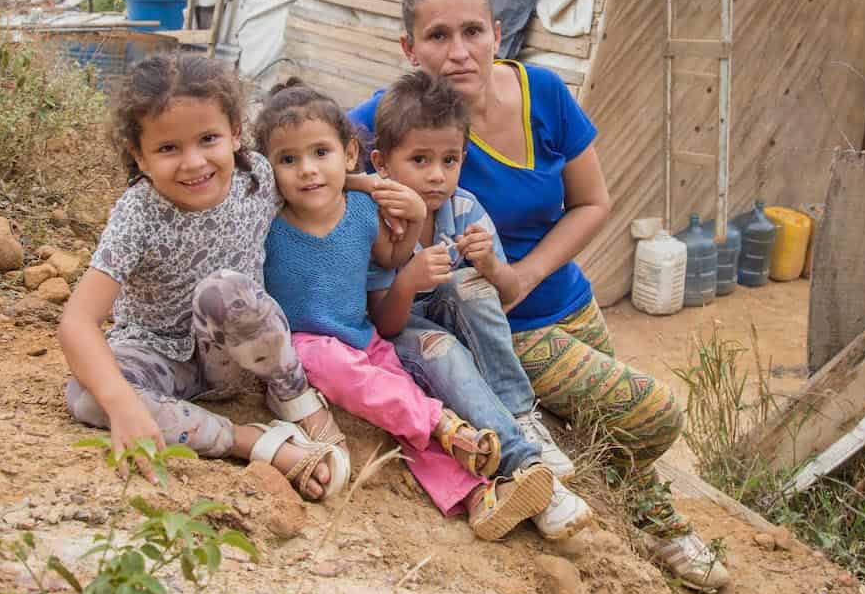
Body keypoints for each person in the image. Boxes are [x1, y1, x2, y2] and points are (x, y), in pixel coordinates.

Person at [350, 0, 731, 591]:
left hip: (568, 298)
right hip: (502, 325)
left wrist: (527, 271)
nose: (458, 52)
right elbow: (315, 155)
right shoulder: (397, 118)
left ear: (499, 33)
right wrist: (377, 185)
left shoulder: (544, 93)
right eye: (437, 37)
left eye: (472, 30)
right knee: (654, 414)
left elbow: (592, 203)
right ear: (408, 49)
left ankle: (661, 529)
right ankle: (592, 497)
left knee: (609, 424)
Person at [255, 79, 555, 541]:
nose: (308, 171)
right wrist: (360, 179)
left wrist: (412, 218)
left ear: (348, 152)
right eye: (288, 160)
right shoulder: (269, 218)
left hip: (363, 336)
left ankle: (476, 496)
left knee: (400, 407)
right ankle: (442, 422)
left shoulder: (360, 210)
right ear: (268, 167)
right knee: (373, 386)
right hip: (303, 346)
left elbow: (394, 260)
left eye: (321, 153)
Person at [58, 54, 347, 500]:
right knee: (88, 397)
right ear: (140, 156)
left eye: (208, 138)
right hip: (159, 356)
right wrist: (120, 402)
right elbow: (77, 322)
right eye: (168, 148)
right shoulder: (138, 215)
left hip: (235, 355)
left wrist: (365, 185)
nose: (193, 163)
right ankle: (247, 440)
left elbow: (314, 183)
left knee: (225, 290)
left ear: (235, 133)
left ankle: (294, 398)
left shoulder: (257, 178)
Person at [365, 70, 594, 541]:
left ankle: (522, 414)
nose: (436, 175)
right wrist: (407, 281)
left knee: (469, 286)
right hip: (404, 336)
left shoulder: (464, 208)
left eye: (449, 160)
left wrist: (491, 263)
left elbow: (508, 292)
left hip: (458, 322)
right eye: (420, 160)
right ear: (381, 164)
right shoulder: (372, 222)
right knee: (441, 348)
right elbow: (383, 327)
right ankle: (529, 472)